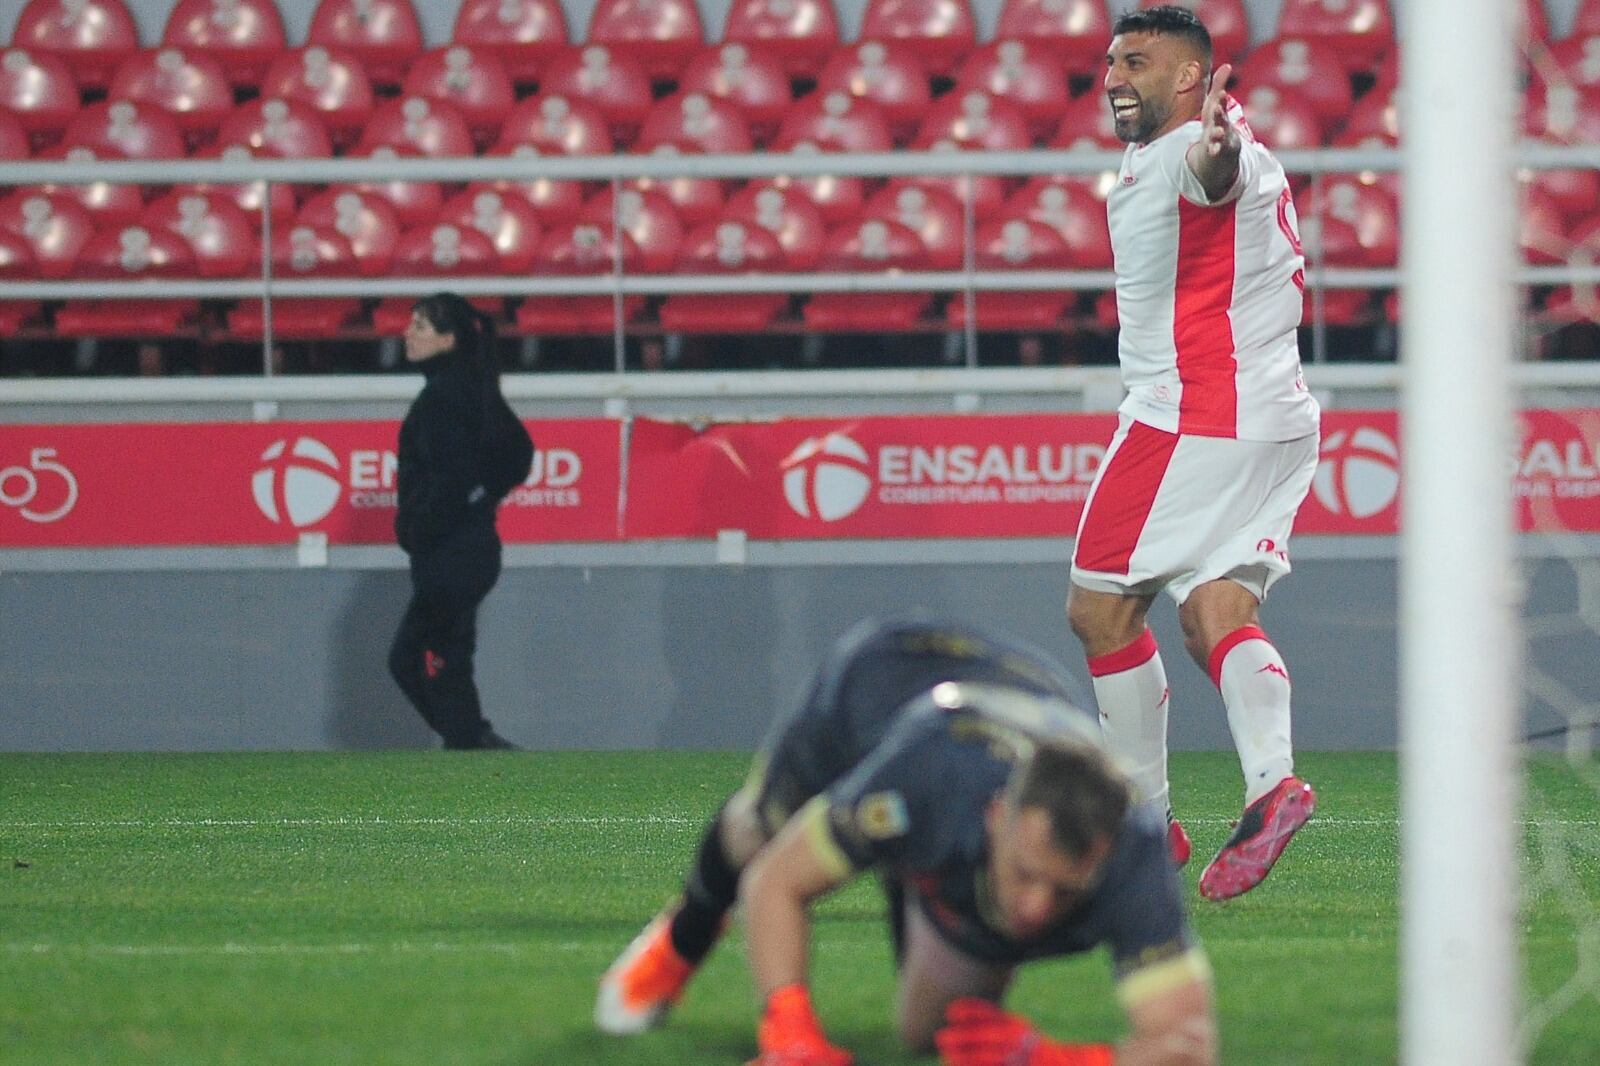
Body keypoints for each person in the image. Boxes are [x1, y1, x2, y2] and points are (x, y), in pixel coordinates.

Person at [595, 619, 1216, 1066]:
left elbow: (1189, 1043)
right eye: (1026, 873)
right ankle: (684, 937)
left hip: (1016, 703)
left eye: (1063, 888)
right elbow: (776, 884)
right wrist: (789, 1033)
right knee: (760, 833)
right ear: (999, 816)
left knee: (933, 1034)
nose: (1034, 908)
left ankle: (917, 871)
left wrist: (1058, 1059)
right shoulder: (929, 781)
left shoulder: (1131, 849)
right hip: (875, 688)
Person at [1066, 6, 1321, 901]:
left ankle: (1141, 822)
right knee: (1213, 610)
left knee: (1100, 613)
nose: (1113, 77)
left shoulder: (1199, 151)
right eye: (1108, 62)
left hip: (1193, 418)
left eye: (1136, 61)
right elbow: (1227, 169)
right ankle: (1271, 784)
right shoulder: (1227, 148)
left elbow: (1212, 171)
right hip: (1279, 421)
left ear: (1189, 79)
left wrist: (1210, 145)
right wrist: (1218, 144)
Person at [389, 292, 534, 750]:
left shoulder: (443, 397)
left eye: (420, 327)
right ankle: (471, 742)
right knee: (446, 656)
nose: (407, 334)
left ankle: (472, 742)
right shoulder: (471, 387)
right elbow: (518, 455)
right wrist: (484, 497)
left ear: (448, 339)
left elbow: (453, 476)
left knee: (415, 658)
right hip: (469, 550)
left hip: (452, 553)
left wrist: (419, 527)